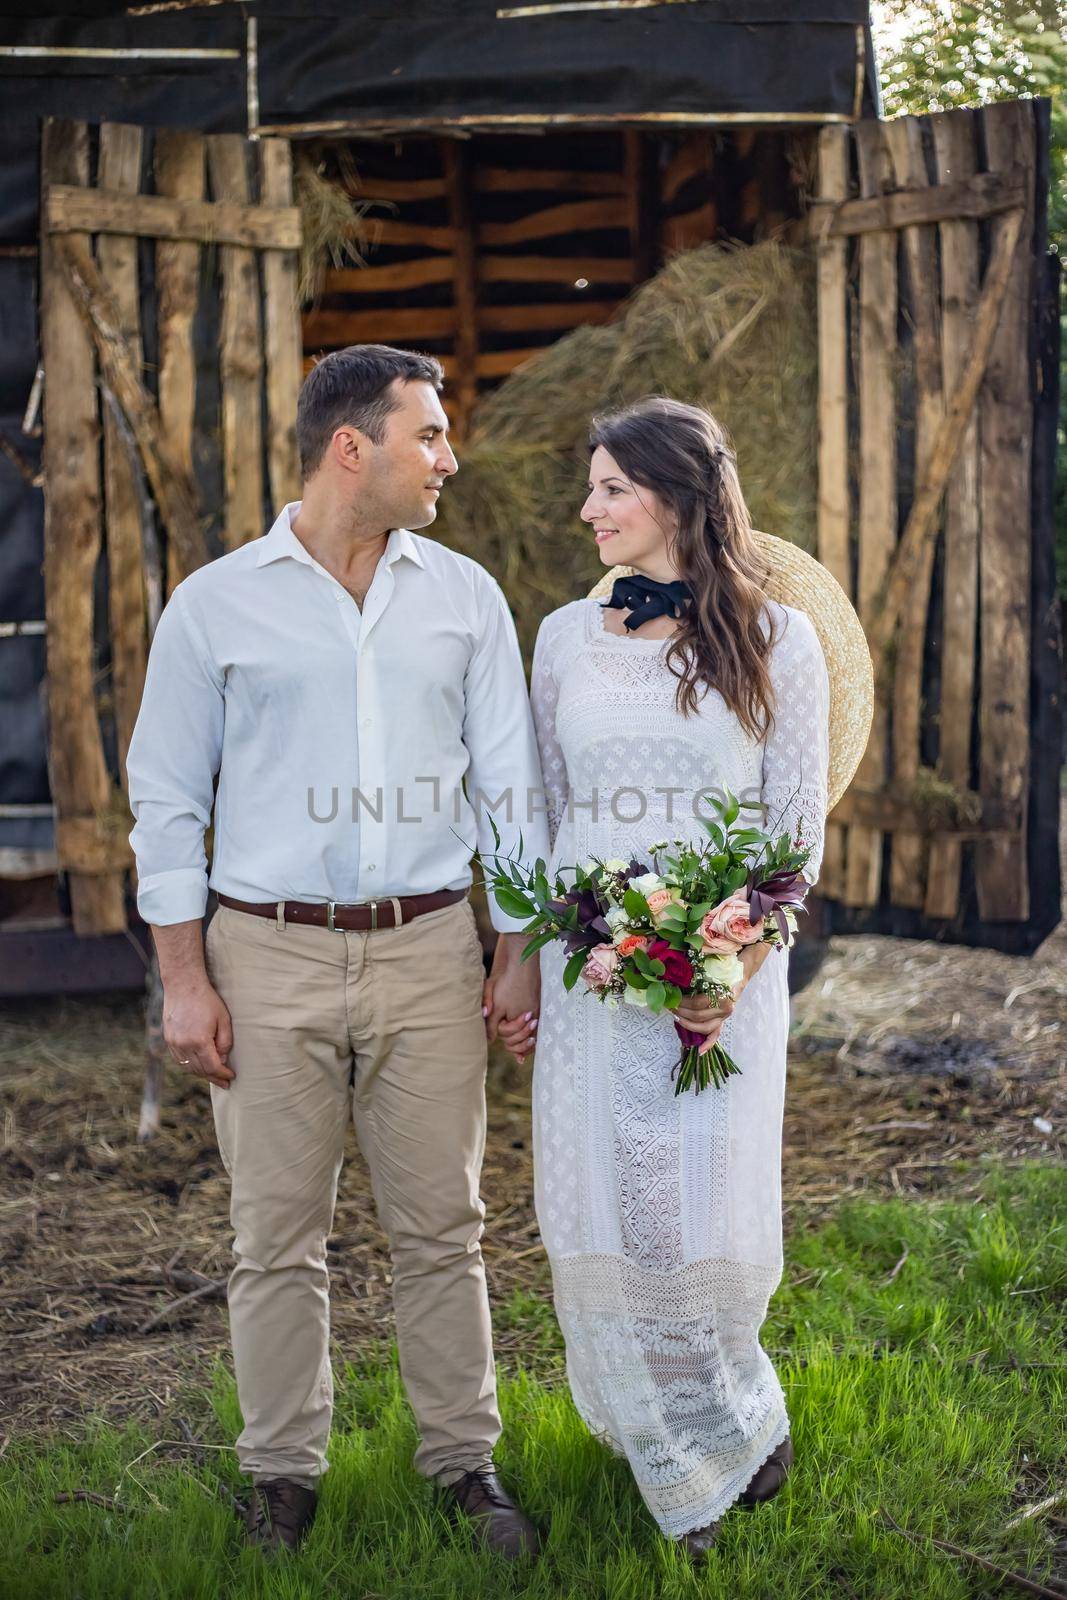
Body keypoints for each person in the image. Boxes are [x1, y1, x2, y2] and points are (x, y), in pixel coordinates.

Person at [125, 345, 547, 1559]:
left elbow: (509, 791)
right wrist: (187, 976)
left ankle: (465, 1465)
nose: (448, 458)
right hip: (264, 954)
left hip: (425, 948)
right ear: (349, 448)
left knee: (442, 1226)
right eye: (429, 435)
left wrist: (510, 950)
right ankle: (281, 1478)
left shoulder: (463, 596)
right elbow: (164, 798)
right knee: (274, 1236)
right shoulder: (216, 602)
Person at [499, 396, 831, 1559]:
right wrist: (531, 959)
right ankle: (669, 1454)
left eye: (607, 488)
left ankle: (735, 1419)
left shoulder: (778, 642)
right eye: (587, 487)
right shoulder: (558, 638)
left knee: (698, 1206)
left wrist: (729, 964)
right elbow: (544, 813)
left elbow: (792, 837)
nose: (585, 508)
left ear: (676, 496)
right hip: (592, 970)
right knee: (608, 1206)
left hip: (721, 982)